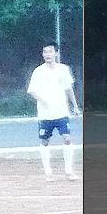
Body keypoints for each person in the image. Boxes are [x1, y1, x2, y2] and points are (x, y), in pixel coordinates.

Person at [27, 41, 80, 181]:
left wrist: (75, 106)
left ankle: (69, 171)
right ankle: (48, 172)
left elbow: (68, 88)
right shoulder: (38, 71)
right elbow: (31, 90)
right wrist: (42, 100)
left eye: (50, 51)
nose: (47, 54)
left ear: (56, 53)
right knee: (45, 141)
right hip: (45, 114)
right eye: (45, 52)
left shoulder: (63, 69)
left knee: (67, 138)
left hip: (61, 111)